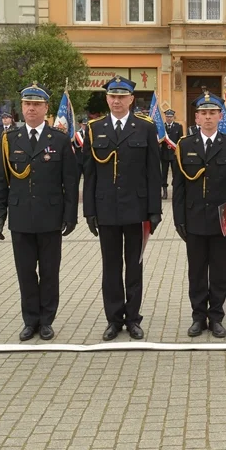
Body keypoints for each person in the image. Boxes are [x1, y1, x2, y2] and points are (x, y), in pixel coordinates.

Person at [0, 84, 79, 341]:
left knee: (50, 272)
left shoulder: (60, 140)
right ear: (21, 108)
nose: (31, 108)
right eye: (27, 104)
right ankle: (30, 320)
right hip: (20, 218)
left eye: (37, 104)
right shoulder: (9, 140)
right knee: (26, 272)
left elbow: (70, 183)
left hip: (50, 217)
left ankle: (46, 320)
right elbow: (1, 180)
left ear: (45, 108)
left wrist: (70, 215)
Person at [84, 76, 162, 341]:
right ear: (107, 99)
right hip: (106, 209)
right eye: (112, 96)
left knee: (134, 266)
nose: (117, 101)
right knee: (111, 267)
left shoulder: (145, 128)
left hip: (137, 209)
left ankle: (133, 319)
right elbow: (90, 174)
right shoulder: (94, 129)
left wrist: (155, 210)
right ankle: (114, 319)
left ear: (131, 99)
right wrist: (89, 211)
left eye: (122, 96)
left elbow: (154, 172)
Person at [172, 91, 226, 338]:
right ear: (196, 117)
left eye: (212, 113)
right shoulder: (185, 145)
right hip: (194, 218)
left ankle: (215, 317)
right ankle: (198, 317)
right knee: (196, 272)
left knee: (219, 271)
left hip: (222, 218)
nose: (208, 118)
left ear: (220, 116)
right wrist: (179, 219)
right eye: (203, 113)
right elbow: (179, 186)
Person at [160, 109, 183, 200]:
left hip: (174, 154)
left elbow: (180, 140)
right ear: (165, 117)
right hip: (164, 154)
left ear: (173, 117)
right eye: (167, 117)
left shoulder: (178, 127)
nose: (169, 118)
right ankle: (164, 192)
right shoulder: (162, 127)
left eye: (170, 117)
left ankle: (175, 192)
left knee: (176, 174)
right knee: (164, 174)